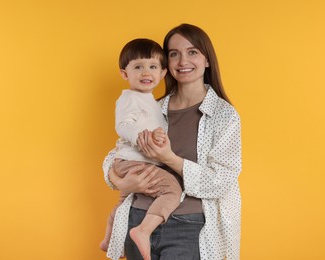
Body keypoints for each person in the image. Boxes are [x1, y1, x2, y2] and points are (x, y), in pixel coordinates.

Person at [103, 23, 242, 260]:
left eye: (192, 52)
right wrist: (119, 180)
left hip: (189, 227)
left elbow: (221, 181)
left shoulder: (223, 115)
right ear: (167, 64)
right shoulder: (154, 107)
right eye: (174, 54)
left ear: (207, 60)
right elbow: (117, 153)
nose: (182, 61)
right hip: (136, 218)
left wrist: (169, 159)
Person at [100, 38, 183, 260]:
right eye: (138, 67)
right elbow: (123, 125)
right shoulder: (130, 98)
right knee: (172, 190)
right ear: (125, 74)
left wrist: (156, 134)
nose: (146, 72)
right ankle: (143, 230)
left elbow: (150, 127)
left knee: (123, 202)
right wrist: (142, 138)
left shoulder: (151, 102)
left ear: (163, 72)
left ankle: (108, 237)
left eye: (153, 67)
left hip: (132, 161)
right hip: (136, 161)